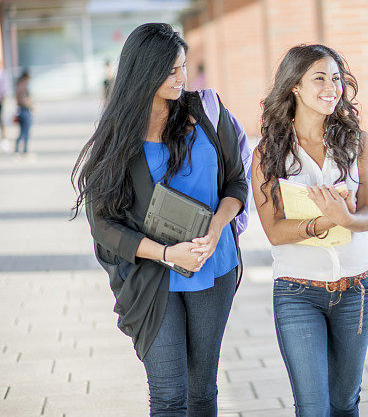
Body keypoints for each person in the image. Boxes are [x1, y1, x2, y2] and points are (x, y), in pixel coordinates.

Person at [71, 23, 248, 416]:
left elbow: (236, 182)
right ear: (143, 70)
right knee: (169, 395)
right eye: (170, 71)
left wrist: (218, 229)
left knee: (203, 392)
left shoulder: (206, 111)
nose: (180, 78)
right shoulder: (119, 134)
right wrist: (168, 254)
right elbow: (103, 224)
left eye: (183, 67)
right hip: (153, 278)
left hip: (214, 267)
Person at [251, 44, 368, 416]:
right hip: (297, 293)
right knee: (312, 408)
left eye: (336, 78)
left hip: (356, 291)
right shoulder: (269, 152)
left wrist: (347, 218)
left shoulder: (358, 143)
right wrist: (329, 219)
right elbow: (274, 231)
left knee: (344, 403)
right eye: (319, 78)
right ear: (294, 86)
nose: (331, 87)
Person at [14, 70, 33, 154]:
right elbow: (22, 101)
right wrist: (30, 104)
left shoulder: (18, 87)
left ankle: (18, 149)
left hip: (20, 111)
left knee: (22, 131)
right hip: (25, 111)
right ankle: (24, 150)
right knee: (25, 132)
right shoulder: (22, 88)